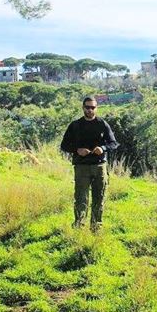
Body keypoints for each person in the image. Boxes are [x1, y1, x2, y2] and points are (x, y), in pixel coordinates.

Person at [60, 96, 118, 231]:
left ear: (96, 108)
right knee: (81, 198)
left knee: (99, 197)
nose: (90, 110)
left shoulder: (102, 124)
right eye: (87, 107)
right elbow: (64, 145)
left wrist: (102, 148)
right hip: (81, 167)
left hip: (99, 166)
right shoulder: (75, 125)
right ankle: (79, 225)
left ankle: (96, 226)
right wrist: (77, 150)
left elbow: (113, 143)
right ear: (83, 108)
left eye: (93, 107)